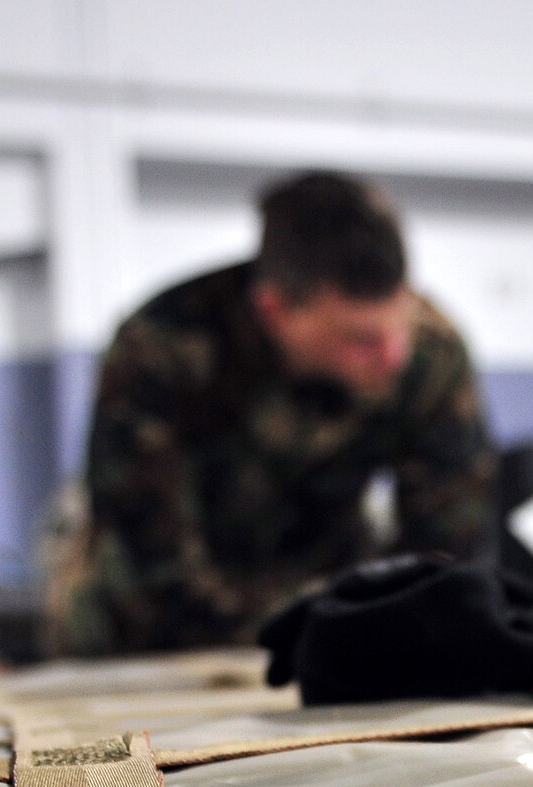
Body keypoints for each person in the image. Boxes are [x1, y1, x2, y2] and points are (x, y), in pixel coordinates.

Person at [52, 171, 496, 656]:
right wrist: (321, 630)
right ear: (274, 310)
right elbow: (153, 564)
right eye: (359, 341)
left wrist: (391, 622)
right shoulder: (165, 348)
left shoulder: (432, 352)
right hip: (155, 630)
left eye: (400, 326)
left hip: (326, 603)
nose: (392, 356)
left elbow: (447, 547)